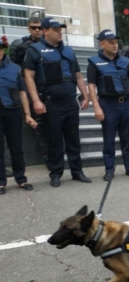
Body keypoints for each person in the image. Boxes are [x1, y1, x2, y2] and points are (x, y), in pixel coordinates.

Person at [23, 17, 91, 187]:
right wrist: (36, 101)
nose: (60, 32)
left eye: (61, 29)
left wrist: (85, 95)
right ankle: (56, 174)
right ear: (45, 31)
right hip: (51, 104)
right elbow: (29, 77)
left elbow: (78, 75)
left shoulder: (68, 51)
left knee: (73, 139)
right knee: (54, 141)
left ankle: (77, 171)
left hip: (70, 102)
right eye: (56, 29)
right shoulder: (35, 50)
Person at [87, 30, 129, 181]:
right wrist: (96, 107)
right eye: (110, 42)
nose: (114, 45)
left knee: (127, 138)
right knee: (109, 140)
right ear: (102, 43)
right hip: (108, 105)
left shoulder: (125, 61)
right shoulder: (94, 62)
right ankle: (109, 170)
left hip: (125, 104)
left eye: (116, 42)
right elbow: (91, 86)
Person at [0, 35, 37, 194]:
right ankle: (1, 182)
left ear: (3, 50)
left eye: (0, 49)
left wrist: (27, 114)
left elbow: (22, 93)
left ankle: (21, 179)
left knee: (16, 147)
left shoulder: (14, 68)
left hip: (12, 112)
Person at [10, 15, 46, 170]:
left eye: (39, 27)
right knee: (38, 122)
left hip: (48, 87)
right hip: (30, 87)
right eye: (33, 27)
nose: (36, 30)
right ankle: (47, 155)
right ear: (29, 28)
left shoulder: (51, 44)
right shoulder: (21, 45)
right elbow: (13, 68)